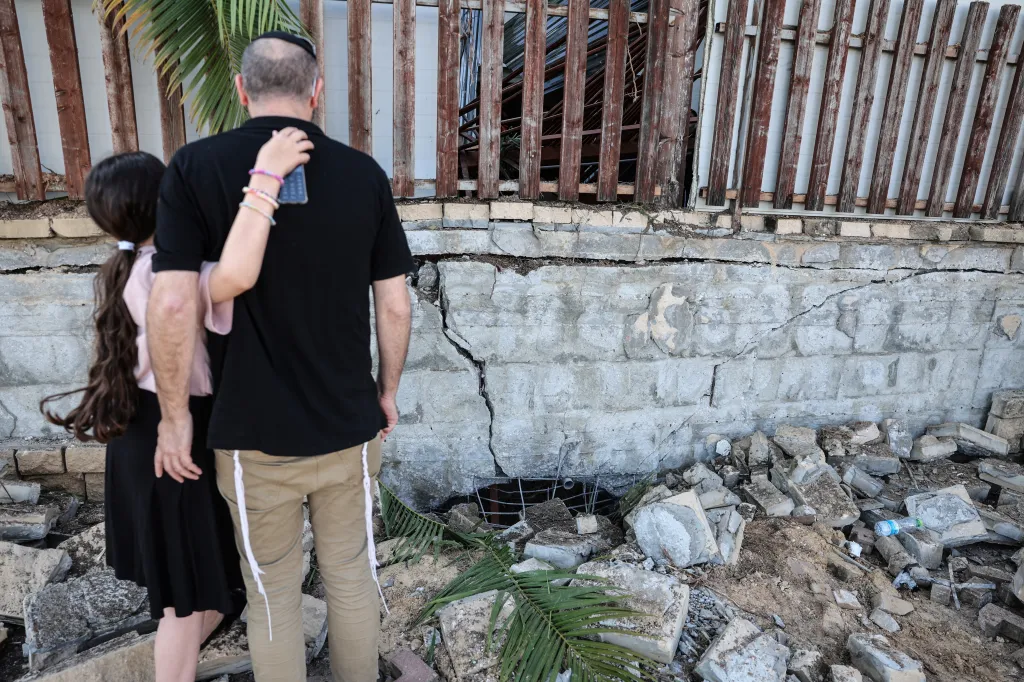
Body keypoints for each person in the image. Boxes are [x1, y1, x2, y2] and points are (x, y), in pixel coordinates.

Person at [146, 31, 414, 682]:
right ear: (316, 92)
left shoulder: (194, 168)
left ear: (242, 91)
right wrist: (386, 392)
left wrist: (174, 416)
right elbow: (397, 306)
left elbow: (175, 304)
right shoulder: (363, 175)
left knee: (272, 595)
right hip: (350, 428)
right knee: (352, 575)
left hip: (253, 440)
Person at [39, 129, 314, 682]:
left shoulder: (130, 267)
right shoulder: (166, 274)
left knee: (198, 594)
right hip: (173, 439)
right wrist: (267, 177)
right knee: (184, 606)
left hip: (148, 435)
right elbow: (237, 275)